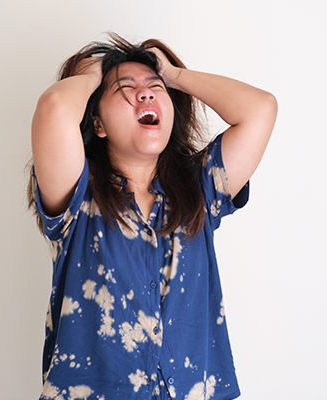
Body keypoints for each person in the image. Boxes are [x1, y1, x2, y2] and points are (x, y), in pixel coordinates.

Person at [28, 33, 277, 400]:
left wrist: (174, 75)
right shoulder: (77, 195)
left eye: (154, 87)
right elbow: (54, 107)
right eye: (125, 89)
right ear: (98, 123)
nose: (145, 94)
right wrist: (96, 72)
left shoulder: (199, 188)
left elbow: (261, 109)